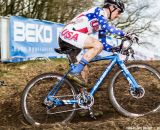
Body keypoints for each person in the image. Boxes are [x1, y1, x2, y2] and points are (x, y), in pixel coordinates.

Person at [58, 0, 135, 83]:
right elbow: (106, 28)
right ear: (112, 7)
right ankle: (74, 73)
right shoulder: (99, 11)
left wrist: (117, 49)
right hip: (68, 33)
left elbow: (104, 44)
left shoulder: (102, 22)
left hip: (71, 40)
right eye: (119, 12)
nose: (118, 16)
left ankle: (80, 94)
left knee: (84, 73)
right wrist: (124, 34)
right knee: (97, 46)